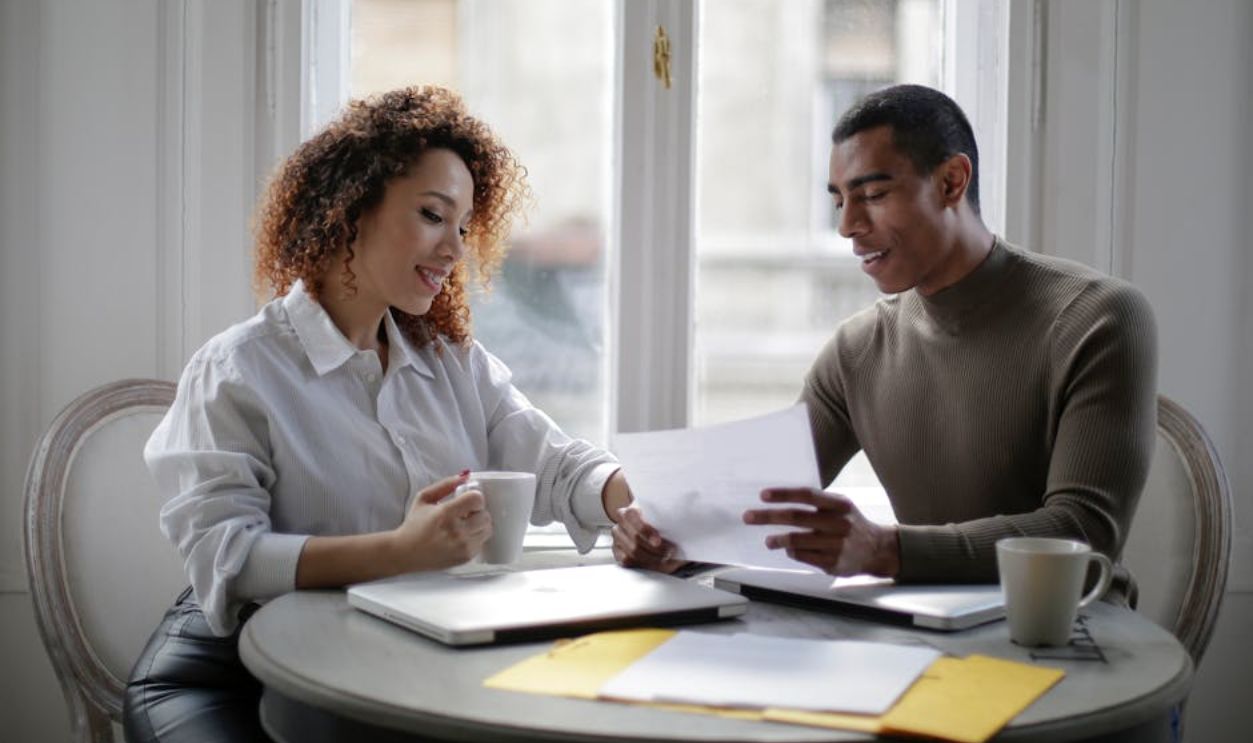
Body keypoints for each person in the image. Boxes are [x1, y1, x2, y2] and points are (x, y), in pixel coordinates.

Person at [123, 86, 632, 742]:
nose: (454, 249)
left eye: (462, 226)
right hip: (233, 670)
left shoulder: (449, 361)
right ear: (350, 210)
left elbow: (556, 463)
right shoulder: (239, 369)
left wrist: (632, 499)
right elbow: (228, 558)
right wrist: (399, 551)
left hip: (391, 661)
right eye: (431, 215)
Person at [613, 84, 1157, 599]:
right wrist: (667, 541)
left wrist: (883, 548)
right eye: (839, 202)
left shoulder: (1098, 317)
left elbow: (1084, 530)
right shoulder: (857, 351)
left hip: (1076, 637)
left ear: (951, 182)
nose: (848, 225)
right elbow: (763, 509)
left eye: (872, 194)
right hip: (931, 638)